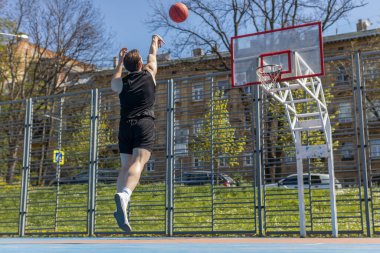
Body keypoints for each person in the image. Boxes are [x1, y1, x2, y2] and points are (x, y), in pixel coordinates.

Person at [110, 34, 165, 232]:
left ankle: (122, 206)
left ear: (127, 67)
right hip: (143, 122)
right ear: (141, 64)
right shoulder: (149, 73)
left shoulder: (120, 84)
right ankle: (124, 196)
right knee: (138, 163)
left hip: (125, 126)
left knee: (125, 166)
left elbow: (114, 79)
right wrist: (154, 40)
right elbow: (152, 55)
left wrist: (119, 62)